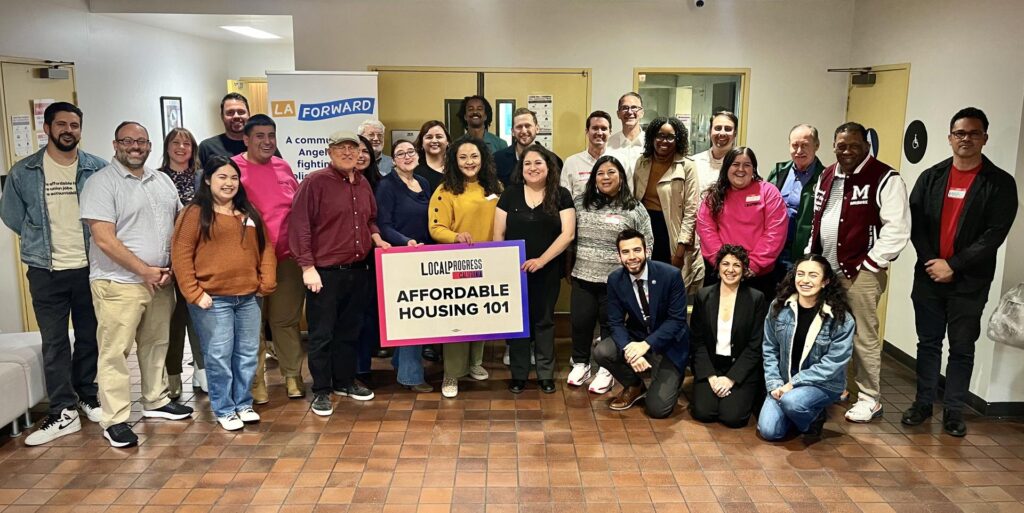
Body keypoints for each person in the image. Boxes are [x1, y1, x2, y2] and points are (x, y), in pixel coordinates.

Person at [903, 107, 1018, 437]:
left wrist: (953, 265)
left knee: (962, 347)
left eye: (973, 133)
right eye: (960, 133)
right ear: (950, 137)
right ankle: (923, 403)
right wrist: (933, 263)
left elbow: (994, 234)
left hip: (970, 282)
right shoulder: (932, 177)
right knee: (928, 343)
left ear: (985, 137)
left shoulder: (999, 184)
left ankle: (953, 410)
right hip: (928, 277)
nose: (966, 138)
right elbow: (917, 224)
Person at [80, 121, 194, 448]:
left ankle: (155, 399)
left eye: (141, 141)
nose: (135, 146)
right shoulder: (101, 183)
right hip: (118, 283)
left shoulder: (162, 181)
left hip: (161, 280)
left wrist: (170, 267)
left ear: (149, 145)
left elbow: (179, 225)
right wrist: (144, 269)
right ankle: (114, 418)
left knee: (156, 342)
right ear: (115, 144)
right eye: (128, 140)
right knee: (116, 351)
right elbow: (104, 239)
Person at [0, 102, 106, 446]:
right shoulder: (24, 171)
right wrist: (39, 242)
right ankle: (63, 410)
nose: (68, 131)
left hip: (90, 268)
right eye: (61, 124)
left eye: (74, 125)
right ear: (46, 128)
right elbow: (13, 217)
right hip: (46, 271)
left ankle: (88, 395)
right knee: (55, 342)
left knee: (90, 336)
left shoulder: (97, 169)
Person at [805, 122, 910, 423]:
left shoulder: (884, 178)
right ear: (833, 147)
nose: (846, 150)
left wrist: (870, 263)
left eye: (853, 145)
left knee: (863, 335)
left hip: (860, 272)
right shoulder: (827, 175)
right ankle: (842, 387)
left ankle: (869, 398)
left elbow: (897, 229)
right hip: (827, 270)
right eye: (841, 145)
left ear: (865, 146)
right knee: (832, 332)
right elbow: (818, 218)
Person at [171, 156, 277, 431]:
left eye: (233, 178)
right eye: (222, 177)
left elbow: (266, 248)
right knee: (218, 355)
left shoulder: (248, 211)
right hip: (212, 299)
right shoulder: (194, 213)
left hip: (249, 298)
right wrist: (194, 293)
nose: (229, 183)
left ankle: (243, 403)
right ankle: (224, 408)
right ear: (207, 180)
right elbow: (181, 256)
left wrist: (266, 282)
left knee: (248, 353)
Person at [290, 130, 389, 416]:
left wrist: (377, 237)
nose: (348, 153)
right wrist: (307, 267)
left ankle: (345, 381)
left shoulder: (362, 184)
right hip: (325, 273)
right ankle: (321, 390)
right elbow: (300, 225)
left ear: (360, 152)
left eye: (352, 148)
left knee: (349, 331)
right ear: (329, 152)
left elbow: (369, 219)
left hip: (358, 271)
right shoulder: (315, 182)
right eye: (341, 148)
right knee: (321, 334)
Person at [232, 114, 306, 403]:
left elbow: (295, 209)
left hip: (287, 258)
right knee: (252, 324)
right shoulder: (233, 169)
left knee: (285, 320)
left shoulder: (283, 166)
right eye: (259, 136)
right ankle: (255, 380)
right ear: (246, 139)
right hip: (250, 259)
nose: (266, 141)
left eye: (271, 135)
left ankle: (292, 376)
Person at [494, 144, 575, 394]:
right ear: (521, 168)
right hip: (514, 270)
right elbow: (498, 234)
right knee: (519, 323)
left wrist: (541, 260)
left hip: (548, 269)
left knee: (544, 322)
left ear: (549, 167)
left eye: (538, 162)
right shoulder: (509, 195)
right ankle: (518, 375)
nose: (532, 168)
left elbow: (568, 234)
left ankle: (545, 375)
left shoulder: (561, 195)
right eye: (527, 163)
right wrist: (504, 265)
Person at [568, 155, 653, 394]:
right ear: (594, 178)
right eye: (600, 173)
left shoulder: (634, 207)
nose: (605, 177)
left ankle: (606, 370)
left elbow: (648, 242)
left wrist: (640, 275)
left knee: (610, 325)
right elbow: (569, 238)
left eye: (611, 173)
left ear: (621, 177)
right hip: (583, 275)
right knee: (581, 323)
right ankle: (581, 364)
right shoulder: (580, 203)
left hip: (617, 281)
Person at [429, 136, 503, 398]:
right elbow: (436, 227)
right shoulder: (445, 190)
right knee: (457, 321)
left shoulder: (495, 187)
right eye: (463, 157)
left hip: (489, 262)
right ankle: (451, 374)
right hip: (456, 265)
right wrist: (455, 237)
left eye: (474, 156)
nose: (469, 162)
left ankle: (475, 363)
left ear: (483, 159)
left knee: (481, 314)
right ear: (454, 160)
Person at [593, 229, 690, 419]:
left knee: (657, 409)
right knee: (602, 351)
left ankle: (672, 377)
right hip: (636, 337)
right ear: (619, 255)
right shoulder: (615, 280)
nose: (632, 257)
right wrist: (630, 349)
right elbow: (615, 321)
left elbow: (677, 320)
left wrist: (645, 345)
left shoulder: (670, 275)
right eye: (626, 252)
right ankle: (635, 385)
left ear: (646, 251)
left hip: (669, 343)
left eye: (637, 250)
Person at [758, 254, 854, 442]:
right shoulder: (778, 307)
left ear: (825, 281)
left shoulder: (841, 318)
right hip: (784, 380)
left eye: (813, 275)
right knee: (769, 431)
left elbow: (833, 363)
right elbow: (769, 349)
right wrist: (775, 384)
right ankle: (801, 414)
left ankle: (812, 417)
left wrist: (793, 384)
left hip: (822, 383)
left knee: (792, 401)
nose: (805, 280)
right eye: (800, 274)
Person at [689, 245, 768, 428]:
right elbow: (697, 341)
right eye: (725, 264)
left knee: (732, 418)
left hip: (739, 367)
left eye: (736, 265)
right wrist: (711, 376)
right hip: (712, 365)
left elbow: (755, 345)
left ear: (744, 270)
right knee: (704, 413)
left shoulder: (756, 299)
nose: (730, 270)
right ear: (718, 267)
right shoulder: (704, 295)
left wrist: (731, 378)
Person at [376, 139, 433, 393]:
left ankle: (401, 363)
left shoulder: (424, 182)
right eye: (400, 153)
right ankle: (411, 377)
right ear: (393, 159)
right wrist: (405, 242)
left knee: (414, 314)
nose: (407, 156)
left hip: (424, 257)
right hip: (400, 258)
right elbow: (384, 224)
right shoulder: (386, 186)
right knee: (413, 317)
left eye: (411, 151)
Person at [697, 147, 788, 299]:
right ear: (726, 167)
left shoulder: (768, 192)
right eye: (735, 164)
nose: (741, 169)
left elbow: (775, 231)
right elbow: (706, 230)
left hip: (758, 276)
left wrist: (753, 265)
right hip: (721, 273)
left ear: (754, 169)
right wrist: (725, 265)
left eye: (747, 165)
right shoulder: (713, 195)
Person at [158, 127, 207, 399]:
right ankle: (173, 373)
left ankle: (202, 370)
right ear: (166, 147)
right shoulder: (156, 178)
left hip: (198, 257)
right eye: (175, 142)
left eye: (186, 143)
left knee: (196, 314)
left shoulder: (203, 178)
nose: (181, 147)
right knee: (172, 318)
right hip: (164, 257)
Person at [633, 116, 703, 292]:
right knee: (645, 281)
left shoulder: (687, 166)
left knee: (668, 284)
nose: (664, 141)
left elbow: (691, 211)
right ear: (652, 137)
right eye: (659, 136)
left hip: (671, 232)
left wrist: (680, 251)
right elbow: (634, 199)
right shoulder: (642, 162)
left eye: (670, 137)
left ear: (678, 139)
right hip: (645, 227)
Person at [766, 125, 825, 273]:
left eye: (805, 145)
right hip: (773, 250)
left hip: (802, 253)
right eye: (795, 145)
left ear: (816, 145)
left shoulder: (825, 178)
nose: (799, 151)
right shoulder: (779, 171)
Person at [354, 135, 387, 382]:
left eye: (365, 150)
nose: (361, 155)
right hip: (349, 260)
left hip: (377, 256)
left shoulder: (381, 184)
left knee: (369, 315)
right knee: (353, 316)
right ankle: (352, 368)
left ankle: (364, 368)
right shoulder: (330, 183)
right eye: (355, 150)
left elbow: (378, 221)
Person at [494, 107, 563, 186]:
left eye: (527, 126)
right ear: (512, 132)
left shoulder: (553, 160)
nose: (523, 131)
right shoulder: (497, 159)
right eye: (519, 127)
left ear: (537, 128)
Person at [561, 111, 613, 200]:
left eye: (604, 129)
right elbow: (564, 199)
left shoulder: (619, 161)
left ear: (610, 132)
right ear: (587, 131)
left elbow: (626, 195)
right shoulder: (571, 162)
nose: (599, 133)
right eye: (595, 128)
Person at [692, 111, 739, 195]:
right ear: (710, 131)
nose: (722, 133)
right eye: (718, 128)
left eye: (728, 129)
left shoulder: (745, 164)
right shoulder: (694, 162)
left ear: (735, 133)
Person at [197, 93, 249, 167]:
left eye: (241, 112)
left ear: (248, 115)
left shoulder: (260, 146)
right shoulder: (206, 147)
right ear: (222, 116)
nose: (236, 116)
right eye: (230, 112)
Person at [607, 92, 645, 177]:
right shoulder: (608, 144)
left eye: (634, 107)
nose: (630, 112)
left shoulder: (651, 143)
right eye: (625, 108)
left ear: (642, 113)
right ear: (618, 114)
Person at [413, 120, 450, 196]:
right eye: (429, 137)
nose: (434, 140)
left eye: (439, 137)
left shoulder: (457, 168)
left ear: (447, 141)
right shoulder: (414, 172)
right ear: (421, 143)